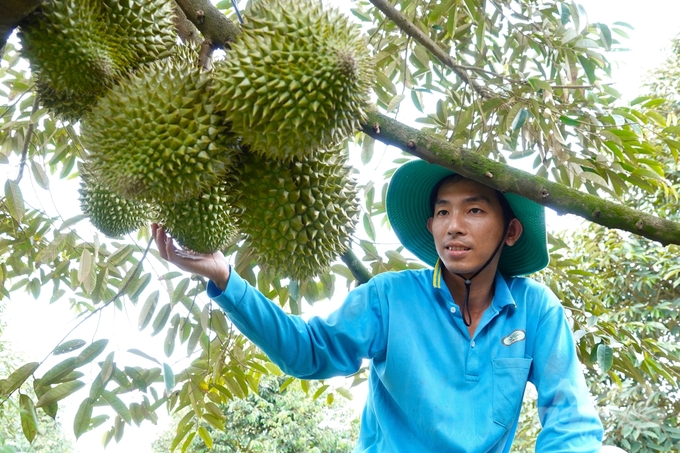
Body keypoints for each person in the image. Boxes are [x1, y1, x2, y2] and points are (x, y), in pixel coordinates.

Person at [152, 159, 604, 452]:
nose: (454, 226)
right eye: (443, 212)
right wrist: (224, 278)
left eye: (475, 211)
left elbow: (571, 417)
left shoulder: (535, 308)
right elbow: (308, 351)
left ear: (510, 232)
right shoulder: (391, 297)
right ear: (430, 226)